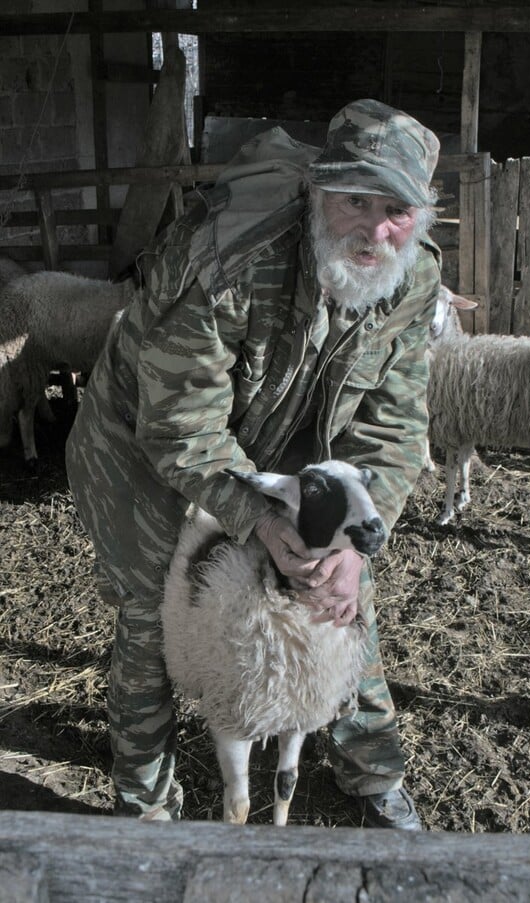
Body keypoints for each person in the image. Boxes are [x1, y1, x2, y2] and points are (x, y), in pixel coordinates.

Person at [66, 98, 441, 830]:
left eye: (395, 208)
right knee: (153, 611)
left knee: (335, 600)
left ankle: (374, 776)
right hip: (142, 446)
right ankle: (145, 803)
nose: (374, 228)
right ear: (317, 193)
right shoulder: (227, 261)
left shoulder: (411, 279)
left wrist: (360, 546)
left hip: (273, 444)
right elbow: (177, 425)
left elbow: (393, 428)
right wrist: (258, 519)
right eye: (355, 201)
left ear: (421, 215)